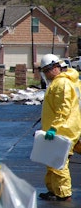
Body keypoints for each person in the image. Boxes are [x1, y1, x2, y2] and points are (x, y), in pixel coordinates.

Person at [38, 54, 81, 202]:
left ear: (55, 68)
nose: (46, 74)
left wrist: (54, 128)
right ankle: (53, 190)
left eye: (46, 71)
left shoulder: (62, 84)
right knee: (51, 160)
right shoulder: (64, 82)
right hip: (63, 127)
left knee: (58, 162)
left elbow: (64, 108)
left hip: (64, 129)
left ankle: (64, 194)